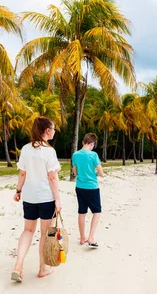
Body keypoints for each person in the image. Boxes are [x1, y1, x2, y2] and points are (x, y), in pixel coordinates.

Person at [11, 117, 61, 282]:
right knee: (45, 234)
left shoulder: (25, 149)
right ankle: (43, 269)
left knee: (28, 231)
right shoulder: (49, 151)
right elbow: (52, 178)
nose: (54, 131)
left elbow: (22, 173)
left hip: (29, 197)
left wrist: (18, 190)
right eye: (53, 129)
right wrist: (58, 200)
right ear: (47, 130)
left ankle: (18, 265)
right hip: (46, 198)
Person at [72, 133, 104, 248]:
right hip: (92, 187)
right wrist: (97, 174)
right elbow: (101, 173)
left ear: (82, 142)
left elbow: (75, 173)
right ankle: (91, 237)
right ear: (92, 144)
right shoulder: (93, 155)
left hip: (80, 187)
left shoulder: (75, 155)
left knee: (82, 212)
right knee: (97, 211)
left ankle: (82, 238)